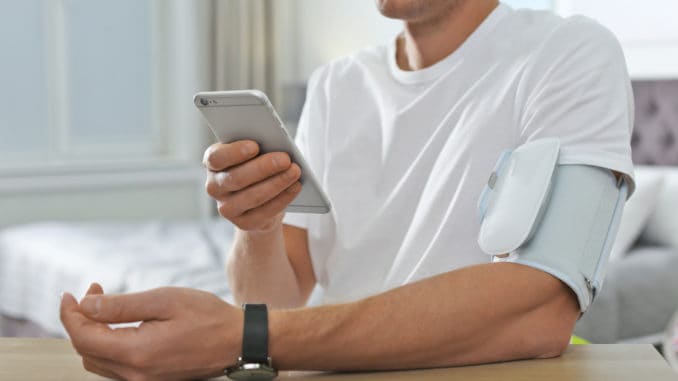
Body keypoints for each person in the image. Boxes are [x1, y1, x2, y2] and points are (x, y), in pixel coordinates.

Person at [60, 0, 635, 380]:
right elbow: (277, 295)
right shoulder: (338, 84)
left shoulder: (569, 53)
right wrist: (257, 230)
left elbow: (538, 311)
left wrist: (248, 335)